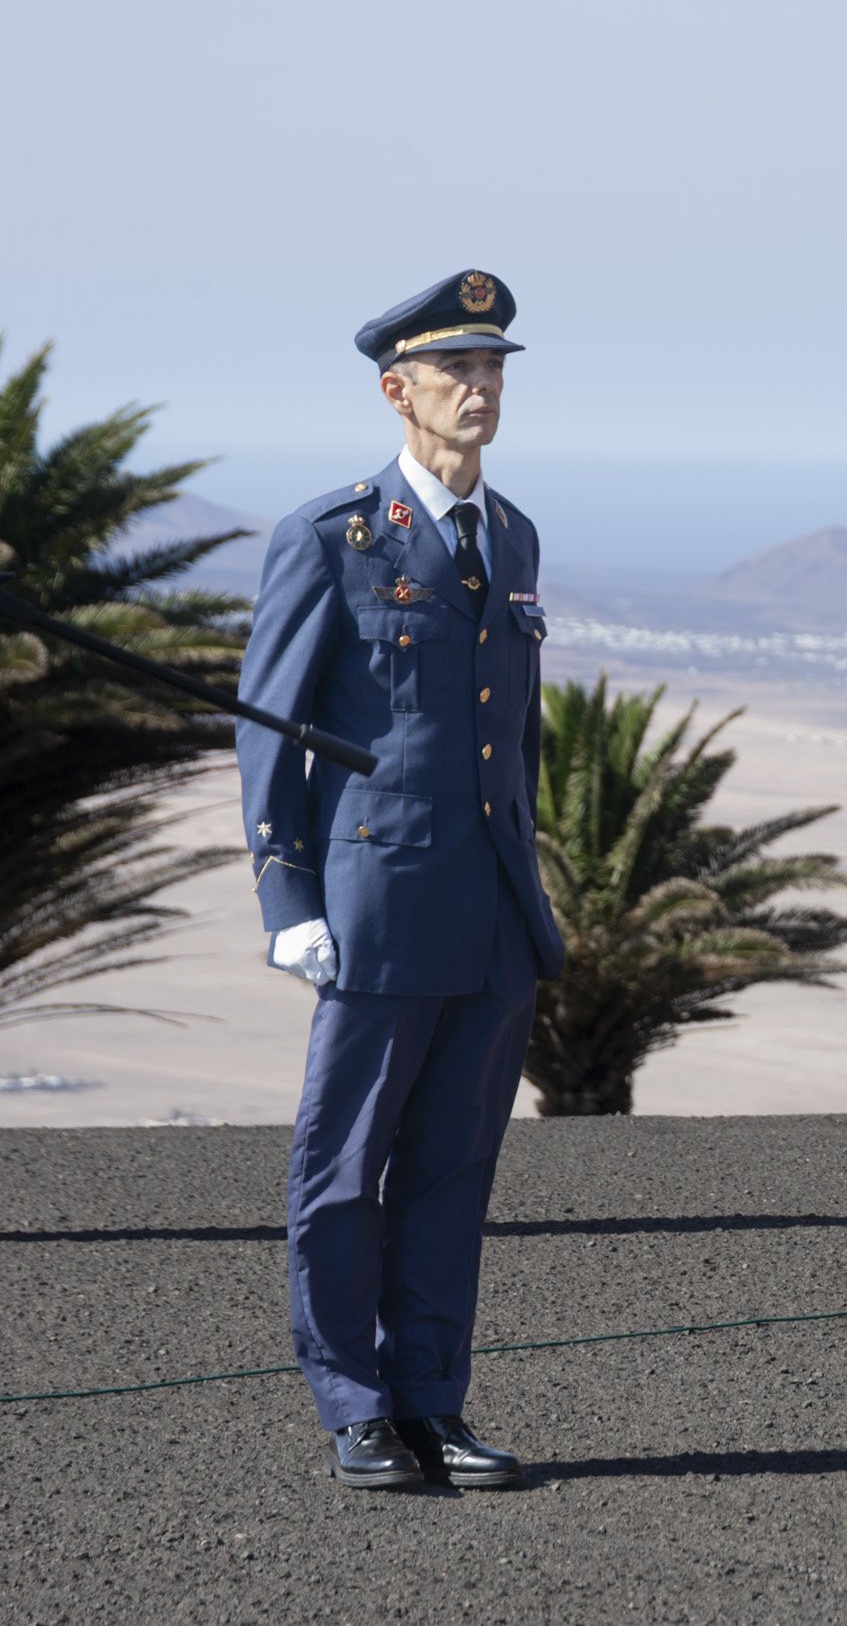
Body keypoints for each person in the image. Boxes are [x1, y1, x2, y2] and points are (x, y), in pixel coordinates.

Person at [235, 270, 566, 1486]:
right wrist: (289, 897)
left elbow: (509, 735)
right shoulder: (331, 537)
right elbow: (267, 723)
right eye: (456, 372)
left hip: (488, 908)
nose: (481, 390)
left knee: (452, 1164)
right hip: (375, 905)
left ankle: (432, 1397)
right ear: (398, 390)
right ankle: (354, 1403)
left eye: (494, 371)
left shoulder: (512, 532)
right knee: (343, 1162)